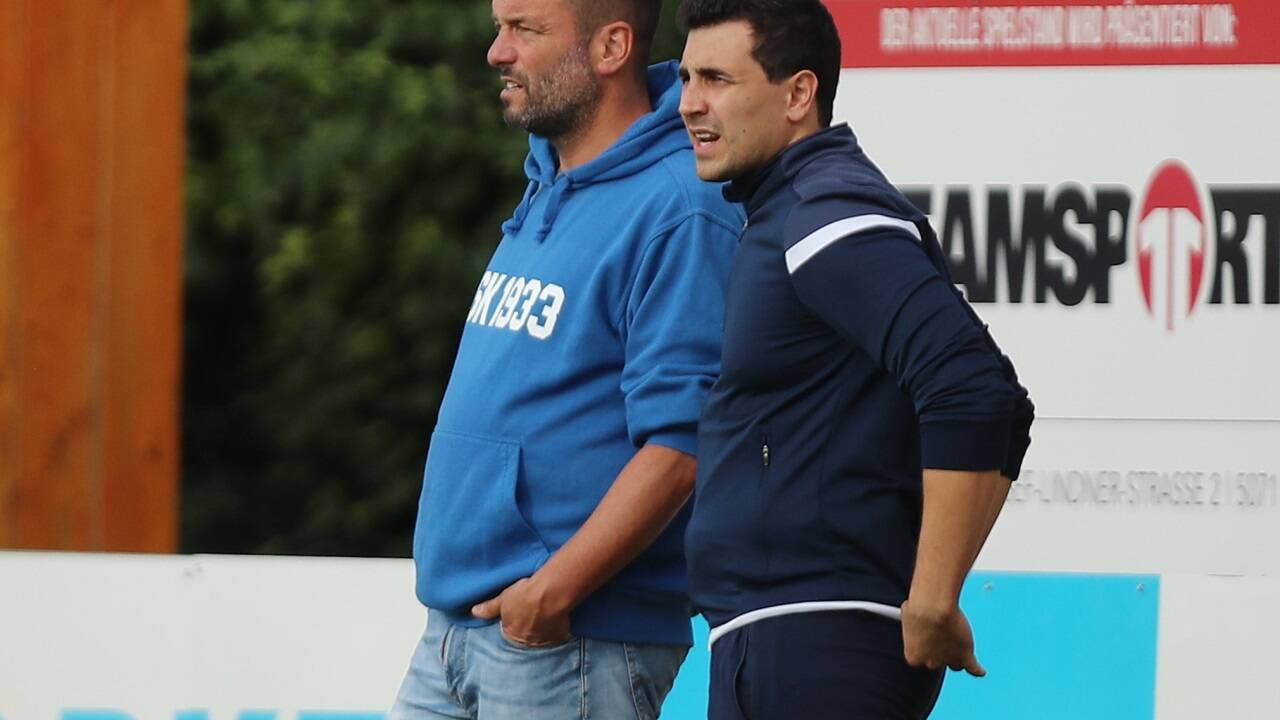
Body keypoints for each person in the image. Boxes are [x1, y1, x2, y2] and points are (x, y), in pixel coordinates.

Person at [676, 1, 1035, 718]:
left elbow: (975, 390)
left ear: (798, 95)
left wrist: (933, 594)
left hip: (814, 647)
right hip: (794, 639)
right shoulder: (793, 209)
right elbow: (1004, 403)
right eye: (687, 78)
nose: (688, 104)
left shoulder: (822, 214)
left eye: (716, 79)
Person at [389, 1, 743, 718]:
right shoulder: (549, 178)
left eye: (524, 30)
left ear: (611, 47)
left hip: (570, 639)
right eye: (499, 26)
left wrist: (552, 594)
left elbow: (682, 445)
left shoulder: (682, 205)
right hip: (459, 632)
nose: (498, 51)